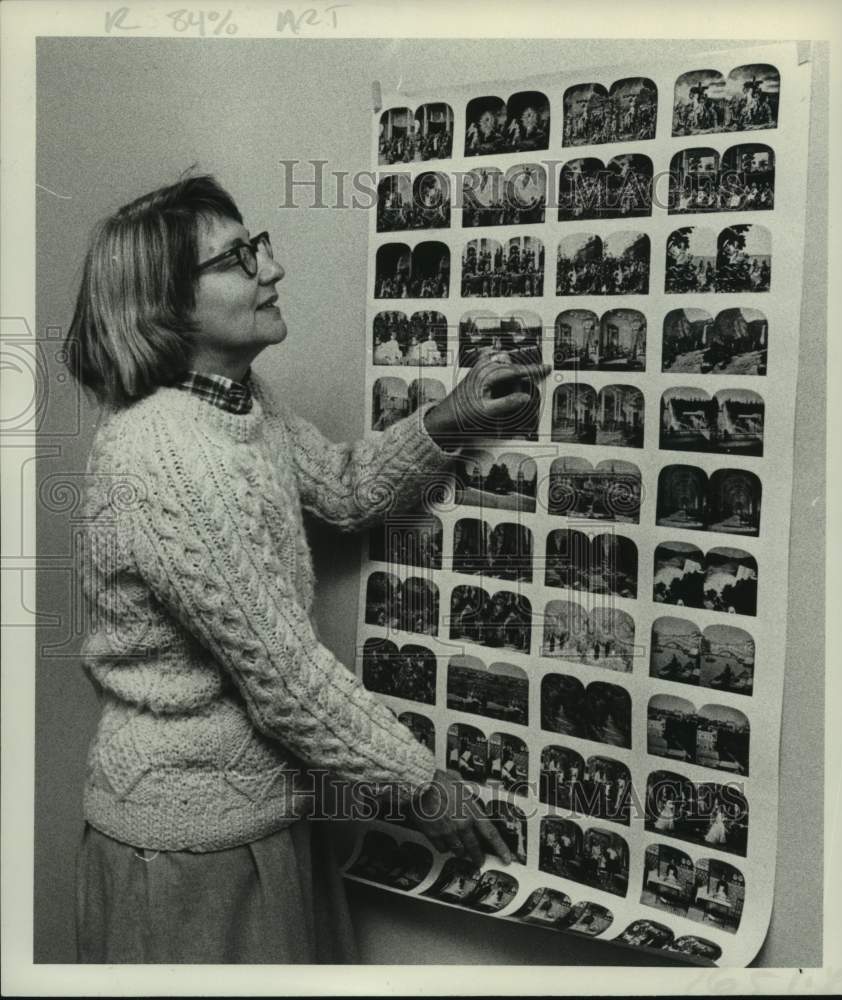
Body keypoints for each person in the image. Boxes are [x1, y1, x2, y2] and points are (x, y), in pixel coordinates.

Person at [64, 173, 550, 964]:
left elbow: (344, 489)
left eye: (256, 245)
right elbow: (283, 674)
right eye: (237, 258)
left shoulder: (235, 400)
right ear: (164, 305)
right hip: (192, 846)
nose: (272, 268)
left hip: (265, 812)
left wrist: (449, 420)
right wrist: (420, 782)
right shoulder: (165, 451)